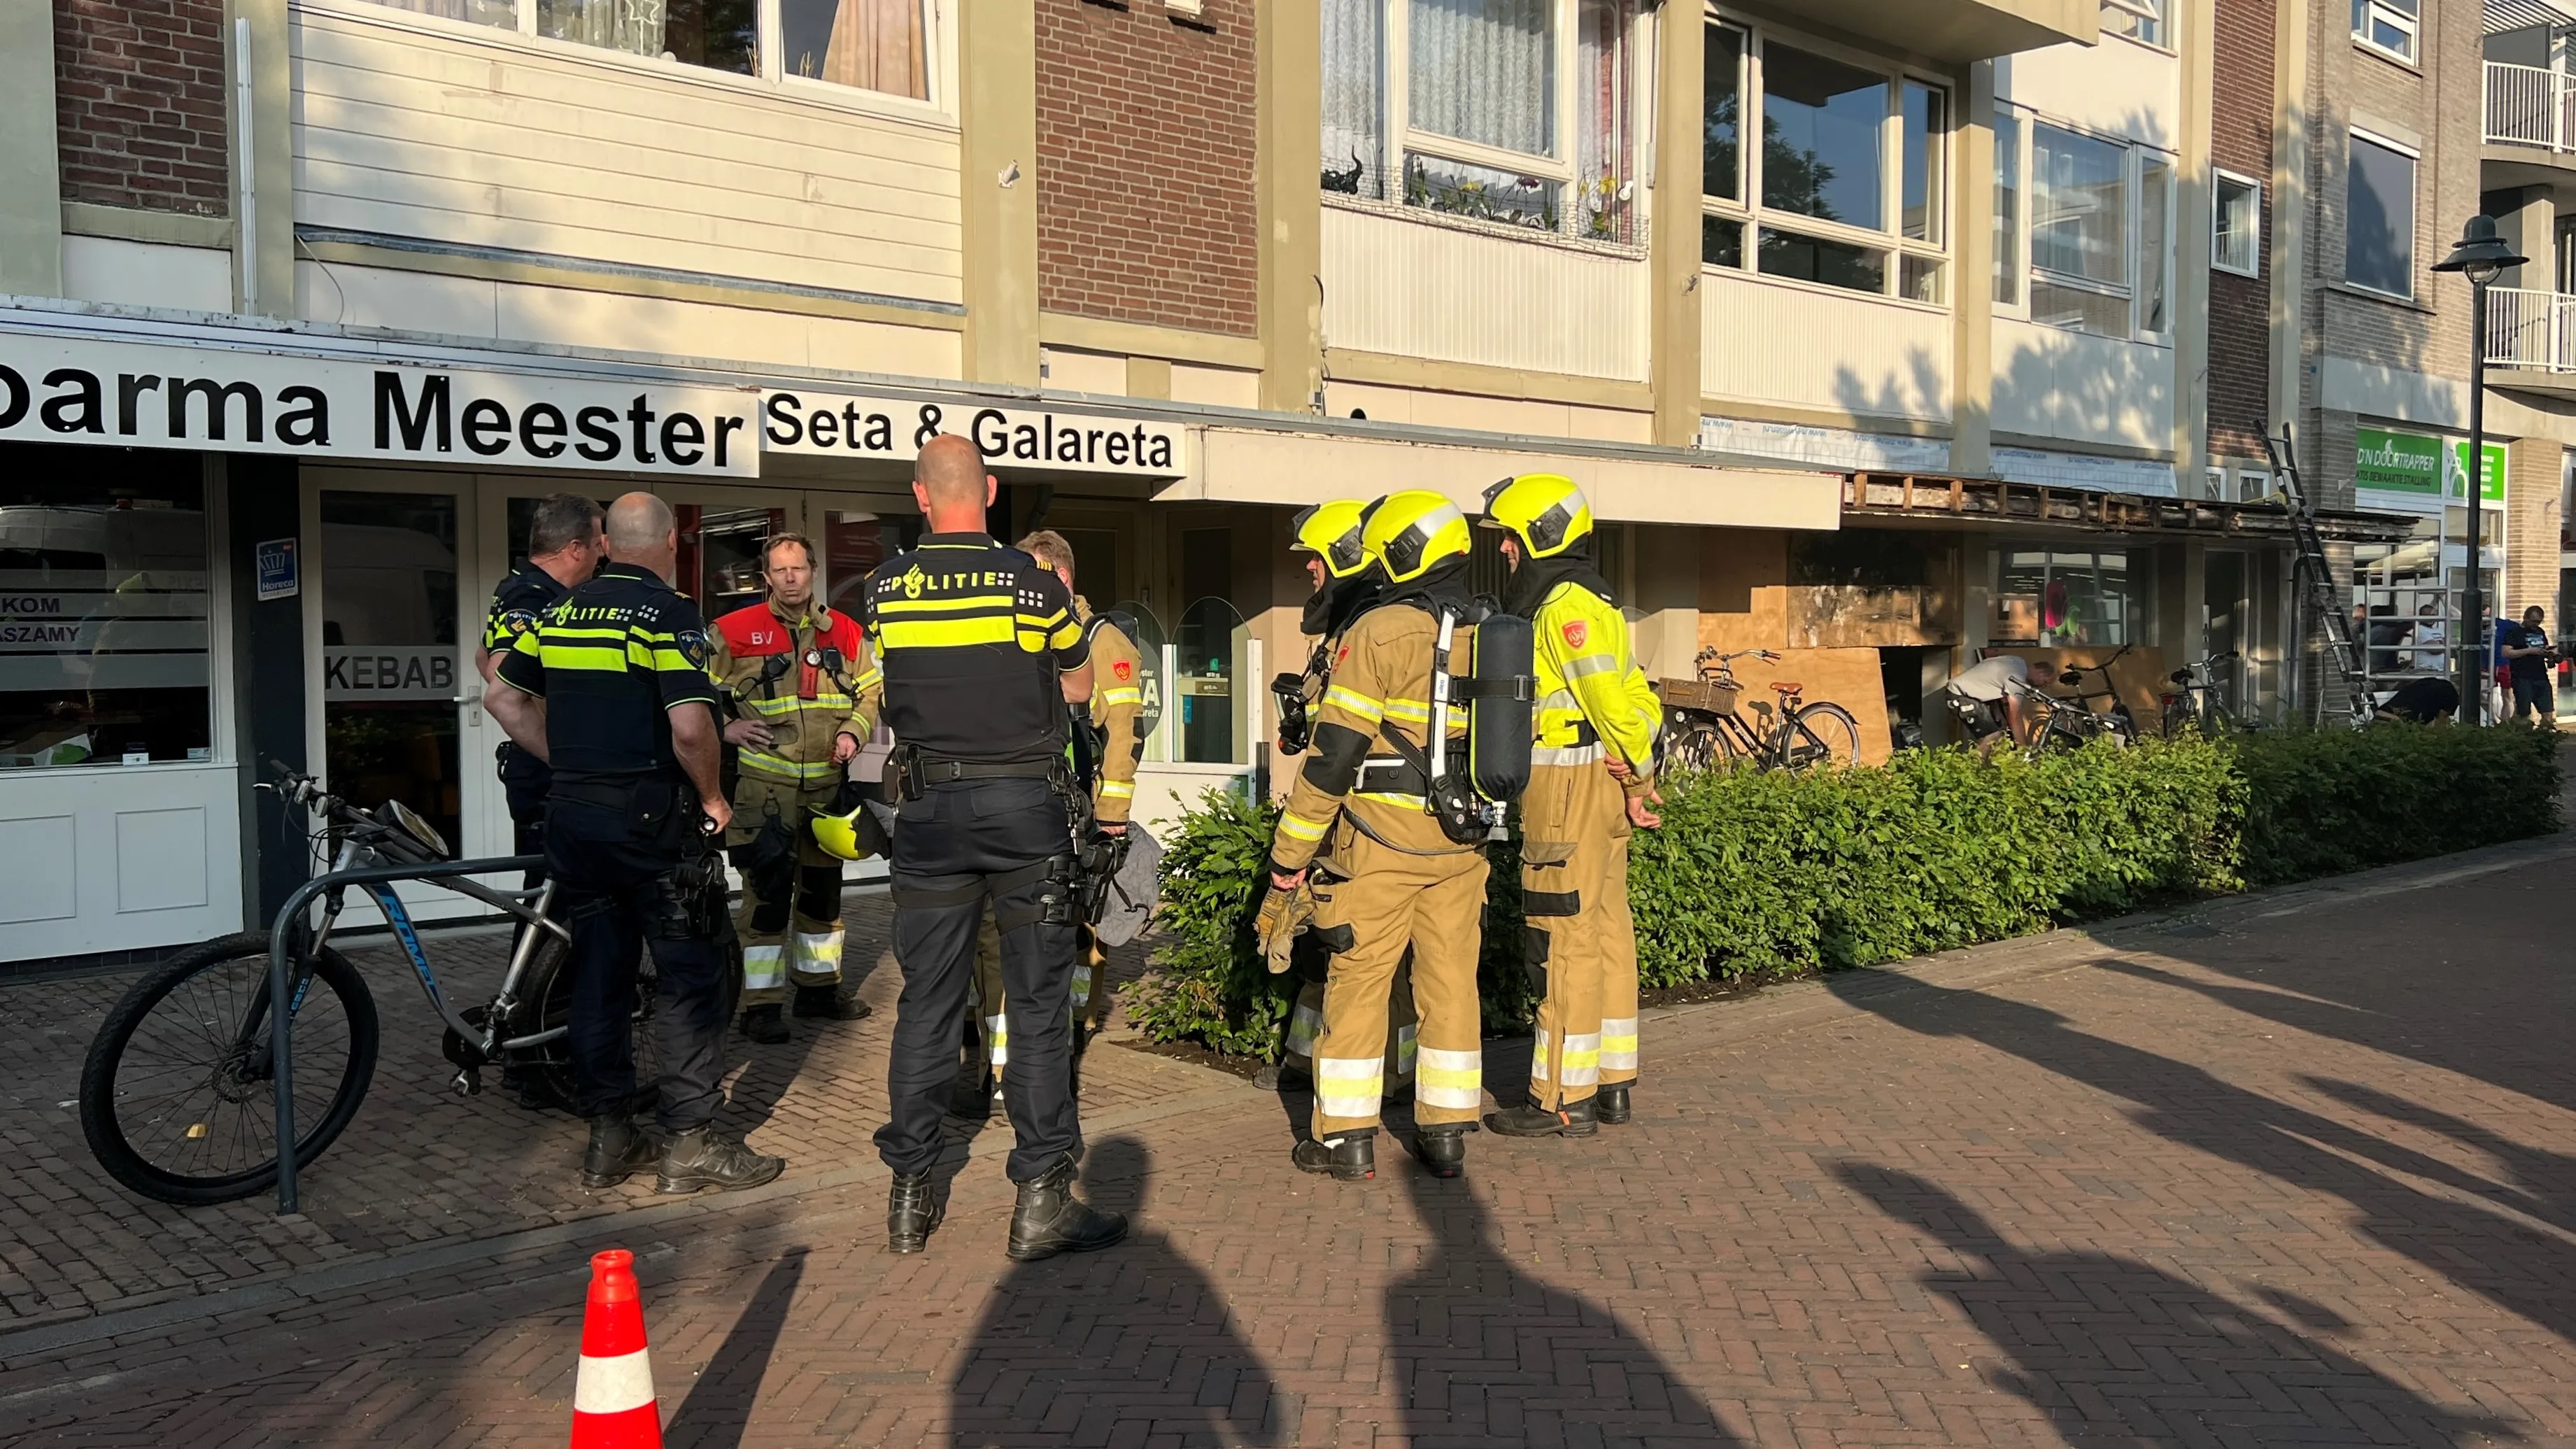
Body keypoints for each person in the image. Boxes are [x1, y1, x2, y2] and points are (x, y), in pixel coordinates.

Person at [866, 434, 1126, 1261]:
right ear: (991, 490)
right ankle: (1041, 1198)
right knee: (1039, 1005)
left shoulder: (883, 588)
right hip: (1023, 810)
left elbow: (878, 684)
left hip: (928, 811)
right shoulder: (1033, 582)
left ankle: (910, 1196)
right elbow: (1081, 686)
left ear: (918, 494)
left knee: (927, 1004)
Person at [483, 493, 783, 1196]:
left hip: (574, 821)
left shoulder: (557, 611)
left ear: (608, 544)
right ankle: (690, 1141)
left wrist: (563, 760)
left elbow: (502, 696)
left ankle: (609, 1136)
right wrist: (712, 796)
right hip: (650, 824)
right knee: (686, 979)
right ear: (671, 543)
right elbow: (689, 725)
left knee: (599, 977)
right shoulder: (666, 614)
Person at [1254, 490, 1489, 1182]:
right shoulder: (1491, 631)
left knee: (1358, 985)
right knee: (1449, 985)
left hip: (1378, 844)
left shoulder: (1381, 629)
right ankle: (1445, 1134)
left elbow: (1332, 757)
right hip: (1461, 843)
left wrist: (1288, 859)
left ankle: (1343, 1140)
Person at [1476, 474, 1665, 1139]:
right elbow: (1641, 698)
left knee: (1563, 938)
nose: (1502, 549)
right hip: (1604, 786)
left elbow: (1610, 703)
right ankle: (1612, 1084)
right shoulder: (1601, 601)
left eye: (1509, 536)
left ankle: (1561, 1095)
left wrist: (1634, 768)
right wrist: (1638, 778)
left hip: (1565, 788)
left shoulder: (1561, 608)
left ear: (1541, 535)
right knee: (1608, 928)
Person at [953, 529, 1146, 1117]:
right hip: (1014, 810)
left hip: (1076, 817)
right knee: (998, 943)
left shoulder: (1101, 639)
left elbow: (1122, 737)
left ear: (1061, 577)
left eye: (1032, 575)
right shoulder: (1011, 630)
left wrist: (1111, 822)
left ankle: (1064, 1049)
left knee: (1071, 943)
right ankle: (998, 1066)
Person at [1258, 498, 1419, 1101]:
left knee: (1368, 954)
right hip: (1340, 818)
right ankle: (1305, 1059)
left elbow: (1346, 743)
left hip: (1364, 823)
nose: (1310, 573)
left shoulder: (1369, 630)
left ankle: (1394, 1073)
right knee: (1323, 946)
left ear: (1347, 559)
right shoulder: (1346, 630)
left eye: (1318, 560)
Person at [708, 532, 882, 1043]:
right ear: (766, 577)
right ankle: (759, 1006)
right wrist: (725, 727)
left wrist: (854, 731)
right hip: (764, 790)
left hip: (828, 790)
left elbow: (871, 693)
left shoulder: (845, 633)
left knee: (823, 899)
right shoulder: (733, 630)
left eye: (798, 569)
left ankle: (818, 992)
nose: (790, 578)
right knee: (765, 902)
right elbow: (686, 690)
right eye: (779, 570)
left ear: (813, 571)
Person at [476, 493, 604, 861]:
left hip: (540, 770)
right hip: (547, 776)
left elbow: (482, 656)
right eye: (597, 546)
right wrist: (562, 758)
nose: (601, 556)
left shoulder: (520, 587)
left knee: (554, 895)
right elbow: (503, 681)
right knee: (556, 892)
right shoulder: (533, 599)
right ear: (575, 548)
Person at [1941, 652, 2056, 754]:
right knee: (1992, 735)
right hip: (1960, 694)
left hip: (1973, 694)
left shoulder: (2018, 661)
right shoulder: (2017, 680)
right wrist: (2023, 748)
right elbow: (2015, 717)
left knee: (1999, 731)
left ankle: (1985, 766)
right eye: (2045, 682)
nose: (2044, 687)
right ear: (2041, 673)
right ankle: (1974, 769)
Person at [2501, 605, 2557, 722]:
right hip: (2522, 676)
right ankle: (2520, 734)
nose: (2536, 625)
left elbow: (2545, 646)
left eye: (2539, 622)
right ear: (2525, 618)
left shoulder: (2540, 631)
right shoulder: (2515, 632)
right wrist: (2529, 651)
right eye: (2533, 621)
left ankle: (2545, 735)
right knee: (2524, 713)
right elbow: (2506, 652)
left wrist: (2550, 653)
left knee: (2548, 712)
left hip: (2540, 675)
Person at [2375, 674, 2460, 723]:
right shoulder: (2452, 696)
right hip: (2397, 723)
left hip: (2380, 715)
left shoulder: (2430, 682)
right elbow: (2441, 724)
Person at [2410, 600, 2448, 674]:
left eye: (2433, 615)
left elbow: (2447, 645)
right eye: (2426, 615)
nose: (2430, 618)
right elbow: (2434, 649)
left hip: (2441, 670)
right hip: (2425, 670)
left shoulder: (2439, 630)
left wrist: (2440, 644)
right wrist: (2443, 643)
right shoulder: (2419, 629)